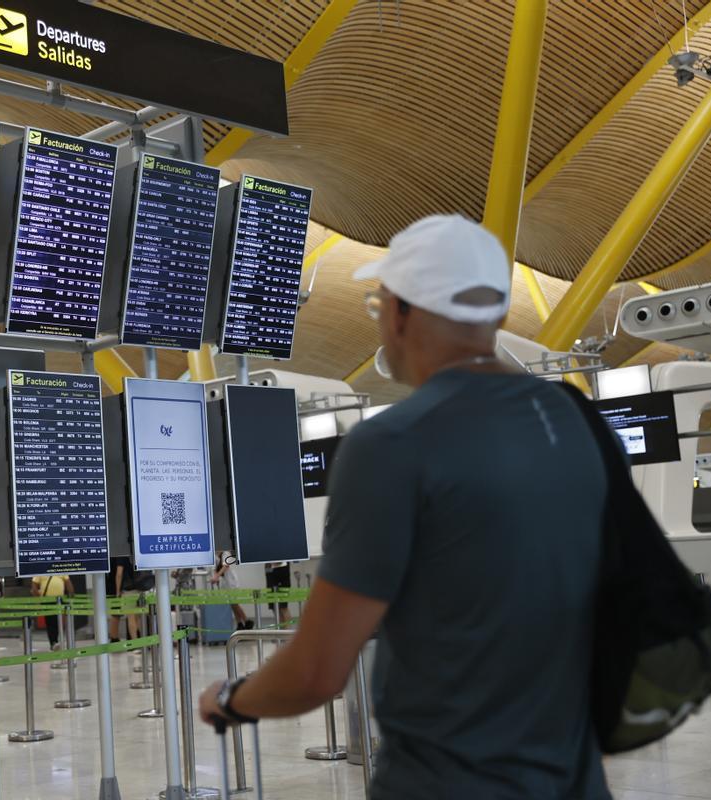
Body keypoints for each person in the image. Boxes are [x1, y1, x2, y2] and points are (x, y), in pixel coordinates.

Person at [199, 215, 612, 799]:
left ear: (401, 314)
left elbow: (317, 671)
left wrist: (231, 699)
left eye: (380, 304)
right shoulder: (572, 424)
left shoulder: (392, 445)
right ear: (494, 315)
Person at [30, 573, 73, 651]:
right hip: (47, 601)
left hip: (59, 600)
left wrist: (71, 594)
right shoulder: (40, 571)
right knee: (50, 621)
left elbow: (68, 582)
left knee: (58, 621)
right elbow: (34, 585)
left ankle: (56, 642)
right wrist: (39, 597)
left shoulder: (61, 569)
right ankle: (53, 642)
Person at [210, 550, 251, 630]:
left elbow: (226, 566)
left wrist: (216, 576)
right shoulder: (215, 556)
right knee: (232, 605)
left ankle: (247, 621)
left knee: (235, 604)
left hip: (232, 583)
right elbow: (214, 568)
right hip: (225, 584)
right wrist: (215, 576)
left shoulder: (226, 553)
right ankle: (239, 623)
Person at [263, 561, 293, 626]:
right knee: (273, 605)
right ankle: (282, 628)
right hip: (269, 567)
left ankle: (287, 630)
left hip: (283, 567)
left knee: (283, 605)